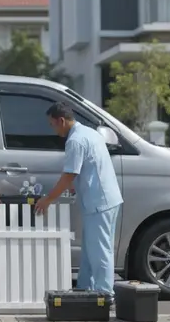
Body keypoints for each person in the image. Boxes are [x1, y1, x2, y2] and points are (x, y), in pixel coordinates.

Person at [34, 102, 124, 298]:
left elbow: (69, 174)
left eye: (53, 124)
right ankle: (85, 290)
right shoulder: (90, 133)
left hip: (98, 202)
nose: (53, 129)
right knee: (92, 249)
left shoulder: (75, 141)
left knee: (100, 250)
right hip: (106, 198)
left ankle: (104, 295)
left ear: (61, 121)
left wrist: (48, 199)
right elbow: (86, 168)